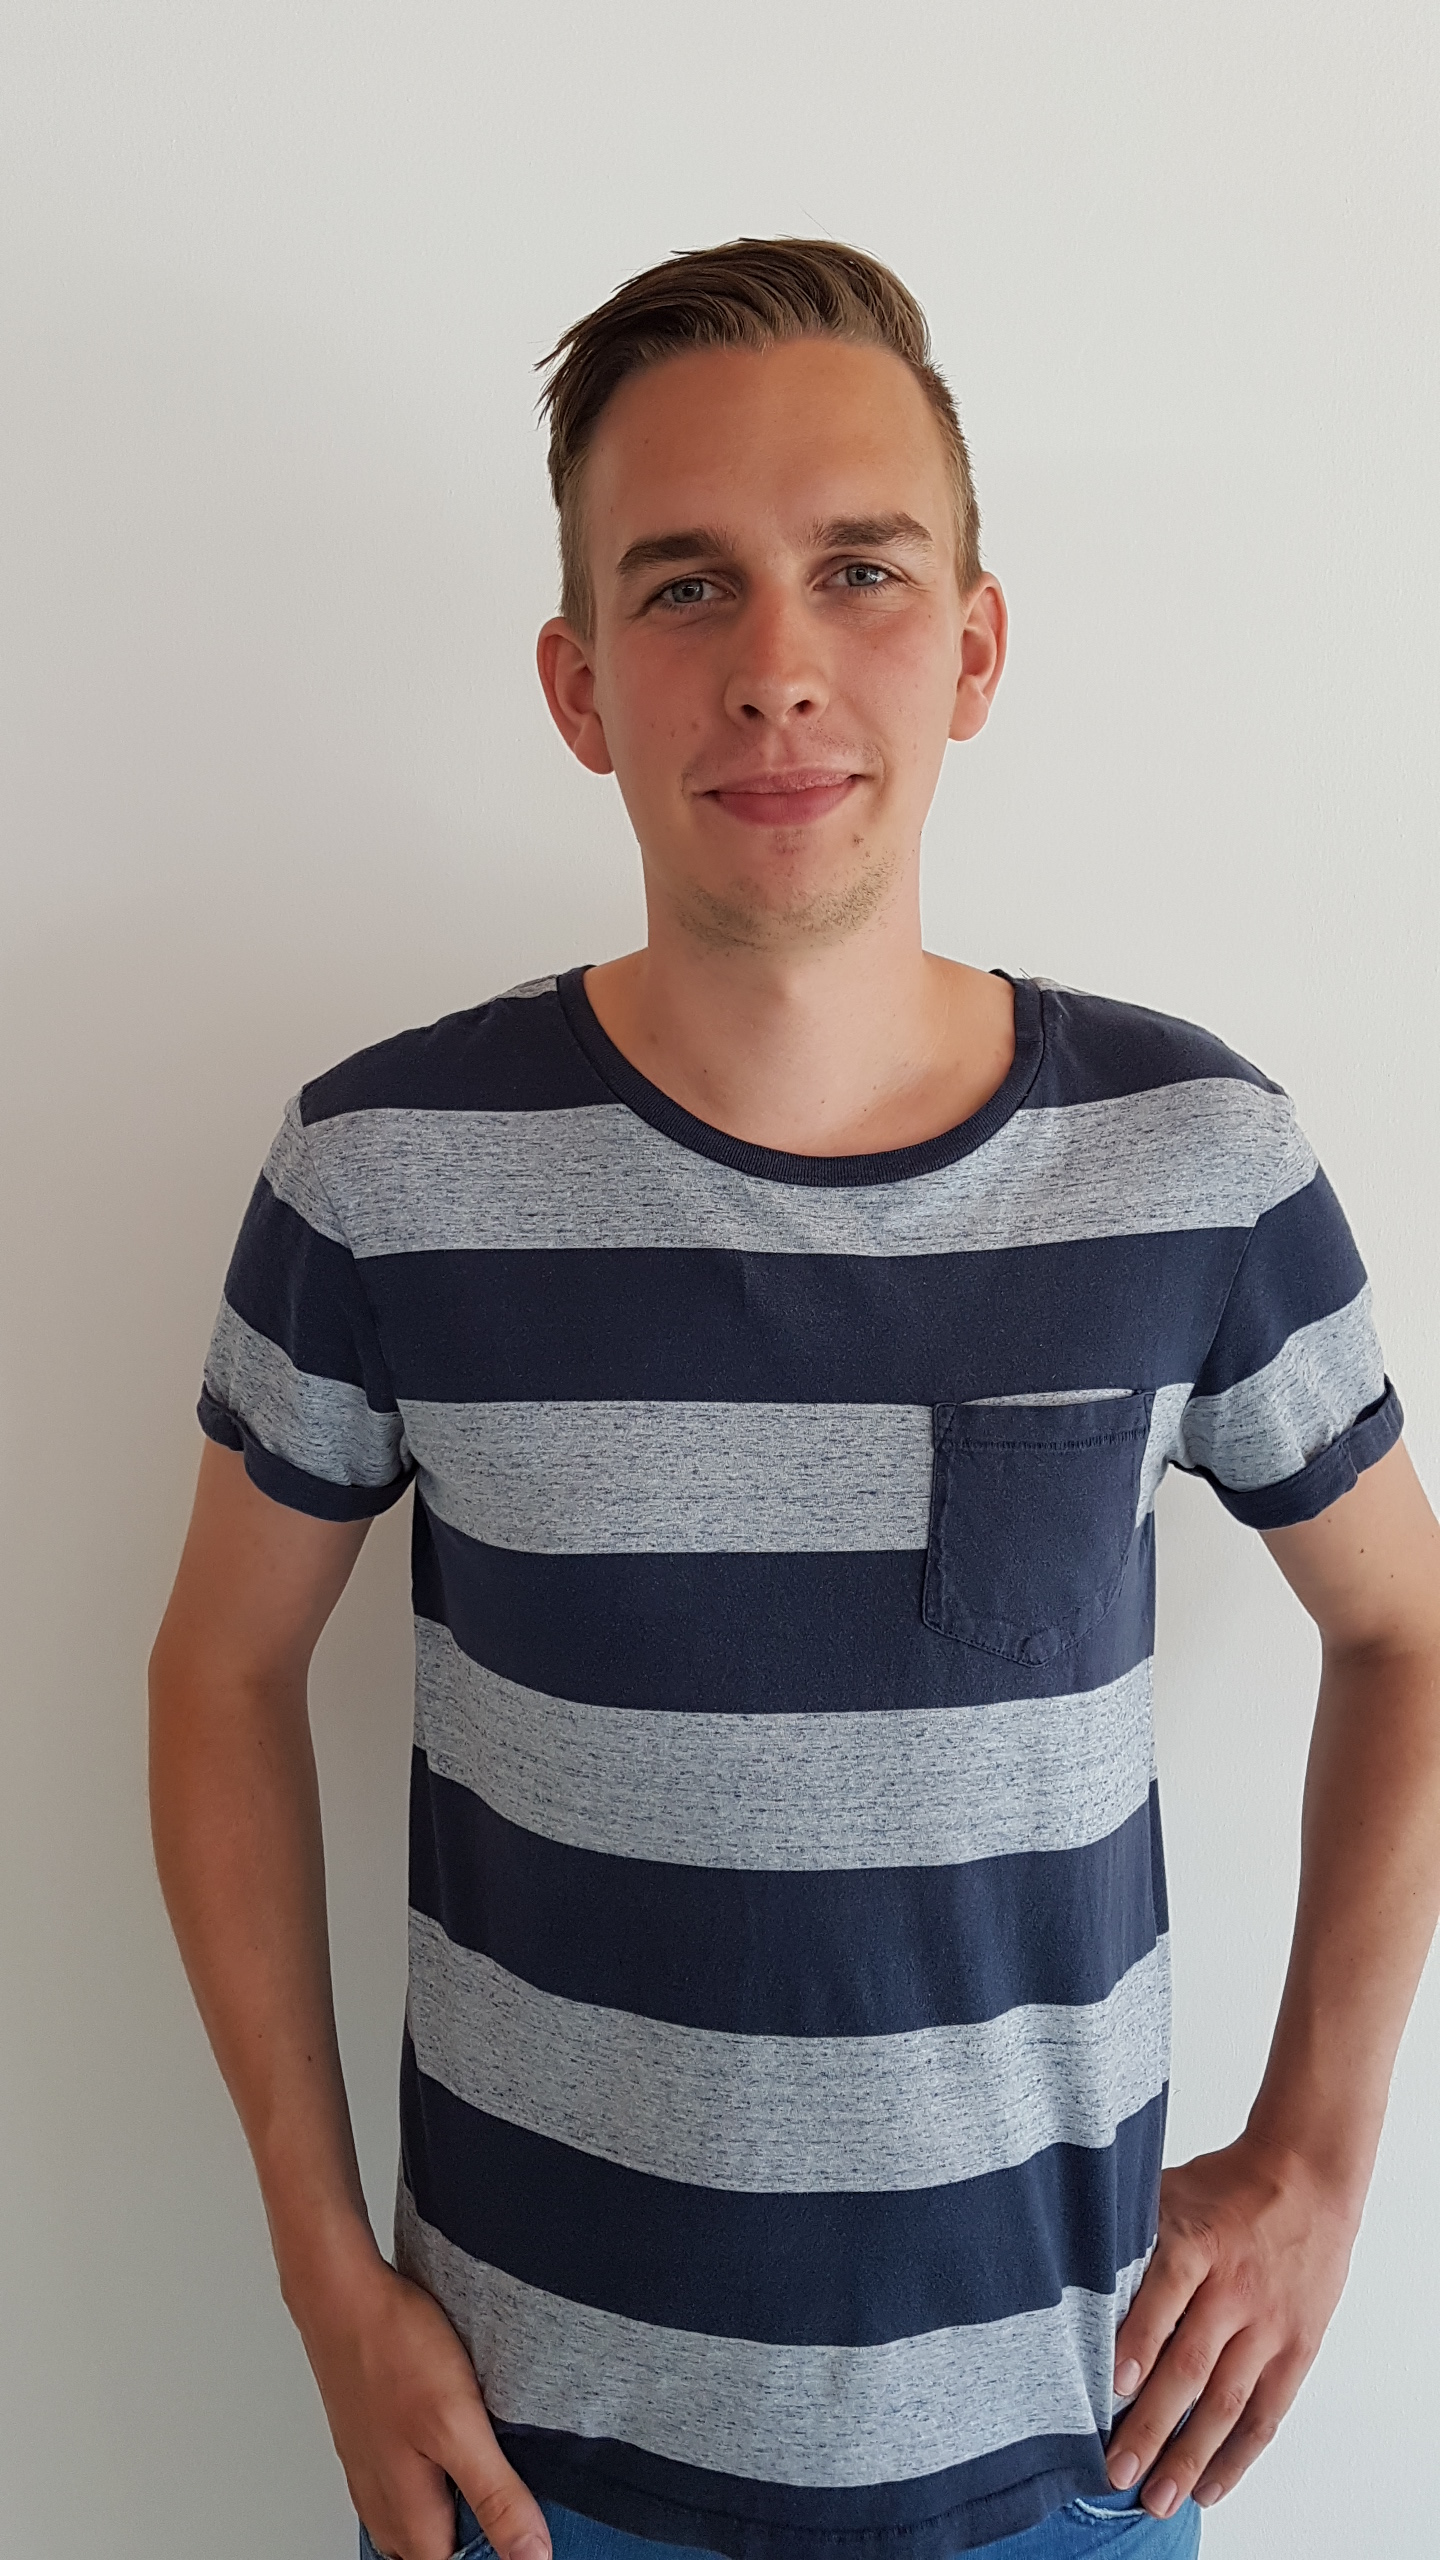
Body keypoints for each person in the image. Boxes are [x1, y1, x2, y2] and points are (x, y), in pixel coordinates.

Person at [148, 239, 1440, 2560]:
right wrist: (324, 2274)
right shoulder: (386, 1172)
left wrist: (1325, 2159)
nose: (775, 663)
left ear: (974, 645)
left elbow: (1410, 1626)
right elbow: (220, 1671)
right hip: (531, 2470)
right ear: (577, 683)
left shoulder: (1197, 1160)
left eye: (860, 569)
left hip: (1069, 2460)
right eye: (684, 585)